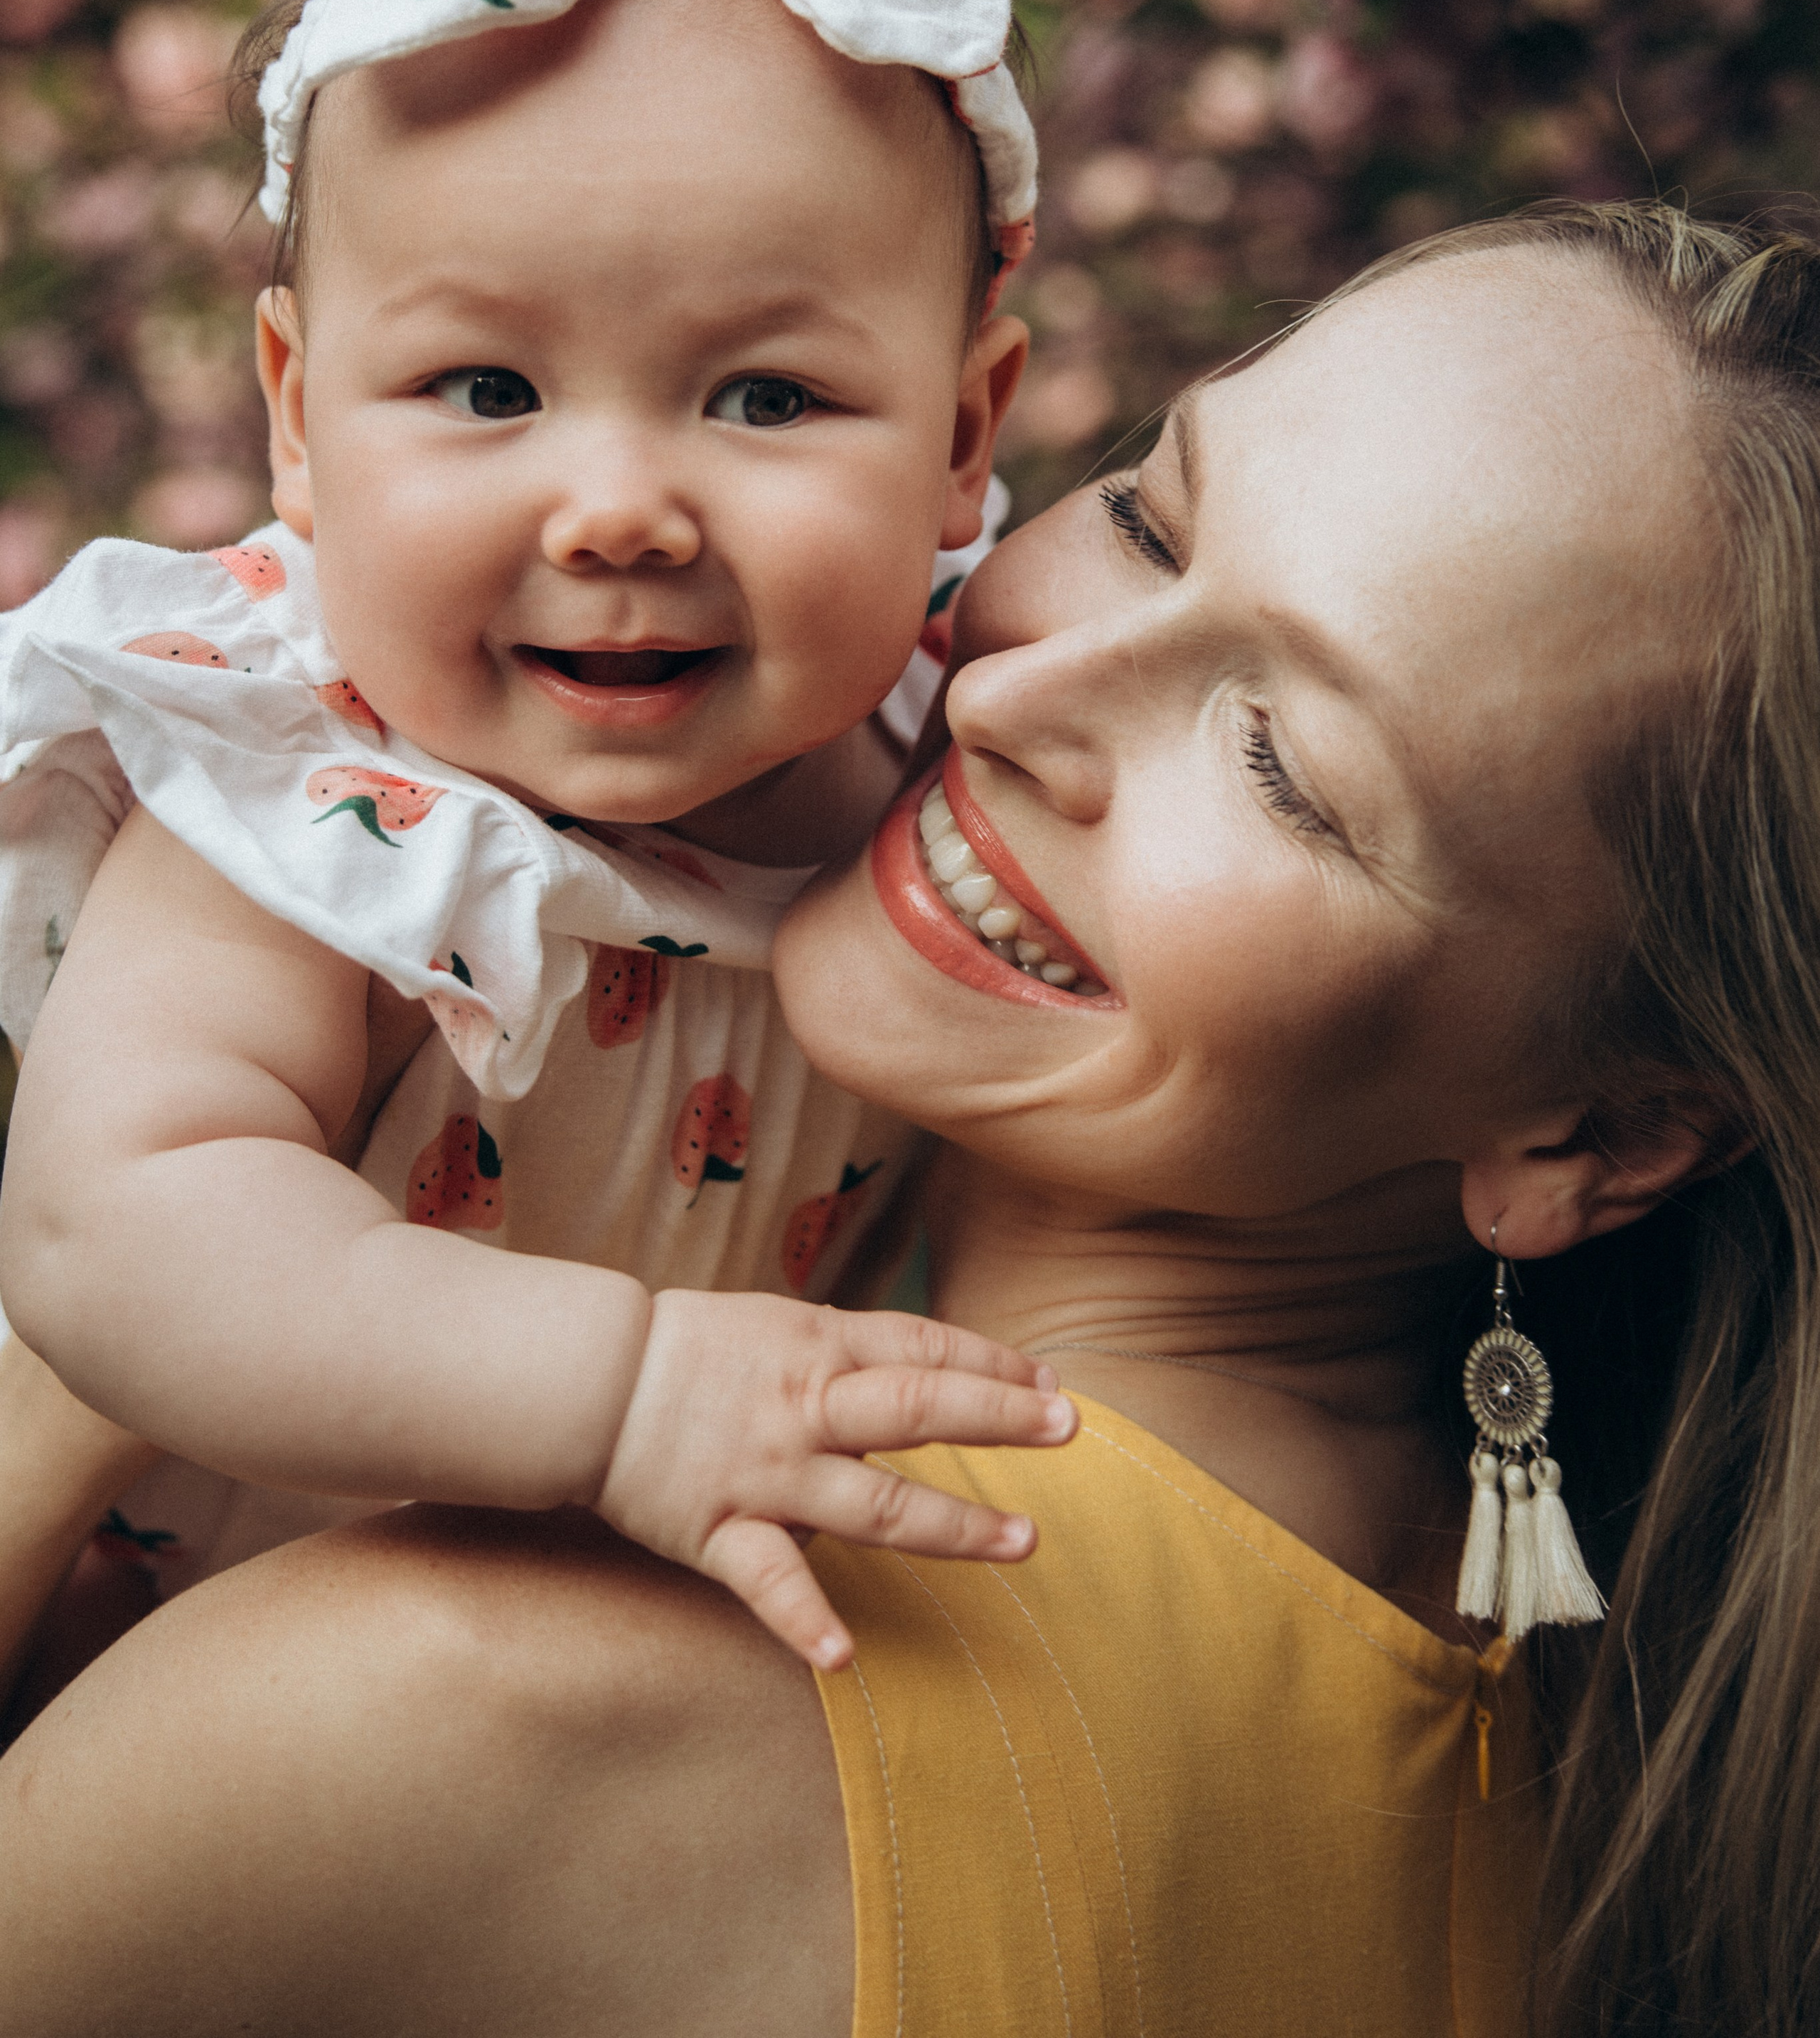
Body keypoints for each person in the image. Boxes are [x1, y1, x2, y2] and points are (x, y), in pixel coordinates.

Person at [5, 200, 1809, 2037]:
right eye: (1145, 520)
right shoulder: (1580, 1782)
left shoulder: (482, 1695)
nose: (1018, 689)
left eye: (1283, 767)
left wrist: (63, 1394)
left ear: (1602, 1139)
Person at [0, 0, 1076, 1694]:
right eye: (486, 387)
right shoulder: (326, 811)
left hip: (544, 1692)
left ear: (963, 437)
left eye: (767, 395)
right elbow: (120, 1229)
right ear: (301, 421)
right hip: (112, 1635)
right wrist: (630, 1394)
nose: (620, 511)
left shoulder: (943, 799)